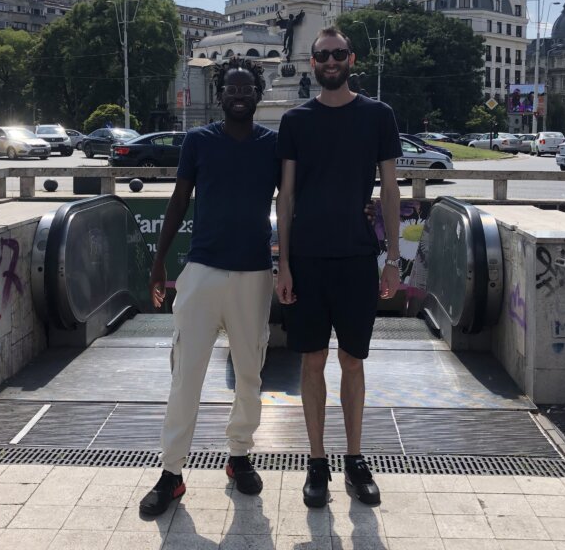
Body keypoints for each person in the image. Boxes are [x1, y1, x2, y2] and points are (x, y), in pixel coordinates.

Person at [138, 57, 280, 516]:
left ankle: (239, 456)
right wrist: (160, 263)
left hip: (255, 275)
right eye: (231, 88)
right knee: (186, 376)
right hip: (201, 272)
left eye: (246, 88)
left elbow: (297, 201)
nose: (239, 94)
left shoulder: (273, 146)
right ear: (220, 95)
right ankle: (171, 472)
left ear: (259, 94)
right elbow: (179, 201)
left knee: (250, 375)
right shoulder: (198, 142)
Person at [275, 26, 402, 508]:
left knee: (353, 360)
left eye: (339, 54)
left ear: (352, 59)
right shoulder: (295, 121)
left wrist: (392, 259)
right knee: (311, 361)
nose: (331, 61)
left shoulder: (377, 115)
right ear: (312, 63)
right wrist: (282, 262)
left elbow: (390, 191)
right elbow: (285, 197)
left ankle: (353, 460)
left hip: (355, 257)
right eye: (322, 55)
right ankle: (316, 462)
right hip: (305, 258)